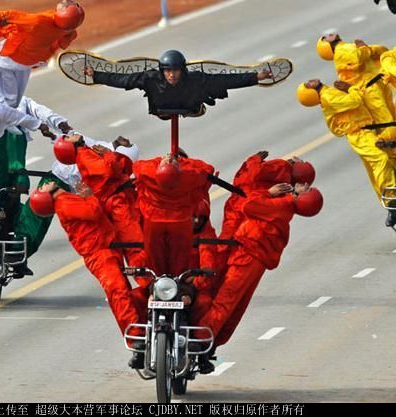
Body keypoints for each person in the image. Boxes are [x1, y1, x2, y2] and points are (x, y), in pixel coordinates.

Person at [197, 183, 323, 371]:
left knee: (225, 300)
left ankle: (200, 340)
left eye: (308, 189)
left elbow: (248, 205)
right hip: (252, 260)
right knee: (235, 304)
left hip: (246, 259)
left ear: (301, 198)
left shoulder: (282, 205)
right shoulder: (285, 207)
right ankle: (209, 343)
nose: (305, 184)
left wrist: (268, 192)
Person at [29, 180, 144, 367]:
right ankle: (136, 340)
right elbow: (93, 212)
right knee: (119, 293)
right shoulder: (64, 204)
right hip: (100, 253)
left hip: (109, 248)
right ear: (45, 197)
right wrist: (90, 196)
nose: (44, 184)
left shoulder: (67, 199)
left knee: (125, 293)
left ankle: (140, 333)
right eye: (41, 188)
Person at [297, 79, 396, 226]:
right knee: (380, 159)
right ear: (311, 94)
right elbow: (354, 101)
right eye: (307, 85)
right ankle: (392, 201)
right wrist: (351, 88)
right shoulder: (327, 98)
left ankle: (390, 203)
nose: (309, 81)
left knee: (381, 162)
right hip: (359, 135)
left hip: (366, 131)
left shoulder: (329, 92)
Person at [83, 49, 273, 117]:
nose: (171, 75)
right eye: (167, 71)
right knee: (163, 109)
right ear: (162, 71)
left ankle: (197, 109)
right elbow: (122, 79)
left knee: (211, 91)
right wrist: (97, 75)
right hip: (162, 109)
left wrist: (255, 77)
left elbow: (226, 80)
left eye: (175, 71)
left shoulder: (196, 79)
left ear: (182, 70)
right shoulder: (149, 78)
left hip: (190, 107)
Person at [54, 133, 147, 269]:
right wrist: (109, 154)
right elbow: (109, 171)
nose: (70, 135)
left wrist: (115, 153)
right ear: (69, 147)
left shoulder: (87, 152)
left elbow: (119, 167)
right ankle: (149, 283)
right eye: (67, 138)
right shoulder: (84, 156)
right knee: (135, 245)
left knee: (144, 241)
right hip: (120, 206)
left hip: (126, 200)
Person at [133, 154, 213, 276]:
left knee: (155, 264)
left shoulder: (148, 173)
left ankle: (155, 286)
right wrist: (184, 163)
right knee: (180, 265)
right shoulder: (189, 178)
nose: (169, 159)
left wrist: (160, 162)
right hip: (180, 223)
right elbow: (208, 170)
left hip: (154, 222)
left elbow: (137, 166)